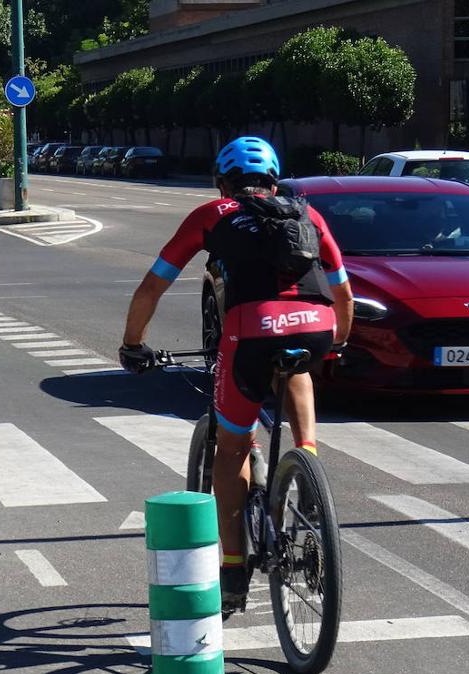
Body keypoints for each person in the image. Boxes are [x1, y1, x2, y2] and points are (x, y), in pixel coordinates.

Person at [117, 137, 353, 610]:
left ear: (221, 182)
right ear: (275, 177)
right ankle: (306, 462)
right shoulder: (306, 213)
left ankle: (232, 570)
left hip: (250, 332)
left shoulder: (213, 214)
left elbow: (151, 286)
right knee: (299, 365)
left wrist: (132, 344)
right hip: (316, 326)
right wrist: (339, 341)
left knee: (232, 450)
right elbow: (343, 293)